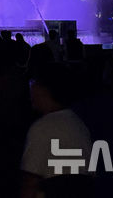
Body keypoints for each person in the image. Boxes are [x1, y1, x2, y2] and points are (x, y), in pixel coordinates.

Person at [20, 63, 92, 198]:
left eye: (33, 83)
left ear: (43, 89)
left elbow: (30, 182)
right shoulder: (79, 125)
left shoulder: (42, 128)